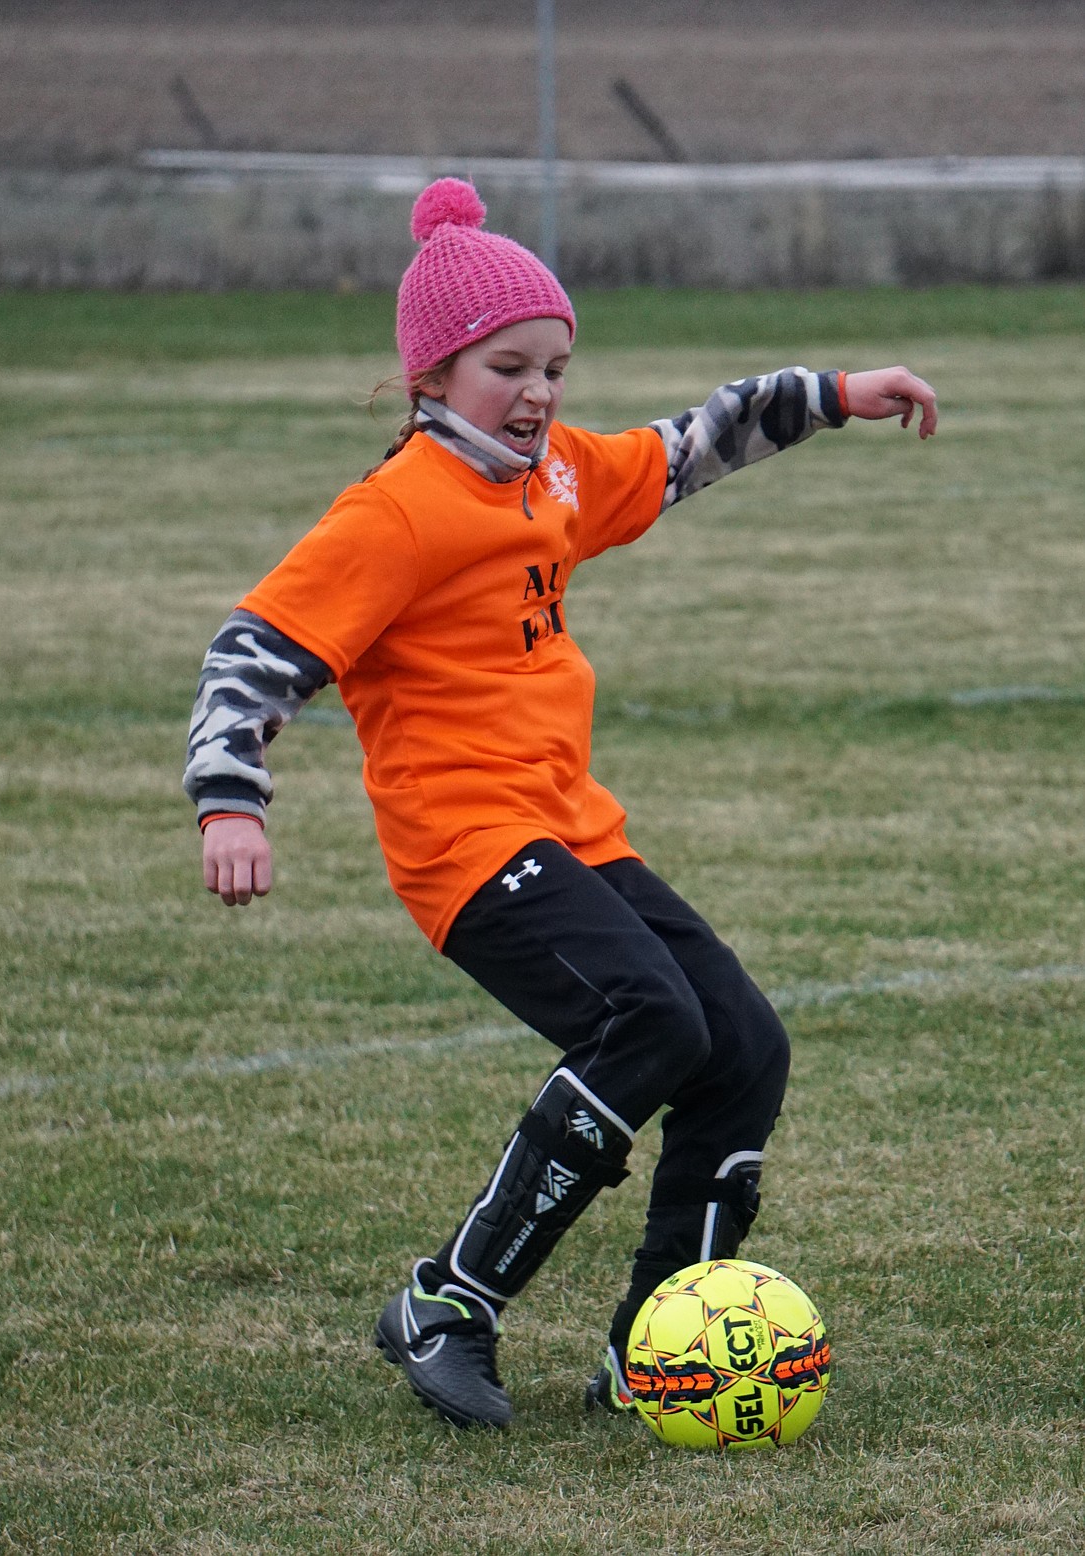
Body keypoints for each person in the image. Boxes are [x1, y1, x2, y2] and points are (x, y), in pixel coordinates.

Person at [183, 177, 938, 1430]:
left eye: (555, 368)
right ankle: (448, 1299)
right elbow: (250, 652)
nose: (537, 394)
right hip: (465, 848)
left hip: (570, 830)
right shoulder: (399, 512)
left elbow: (687, 444)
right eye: (507, 368)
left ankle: (659, 1349)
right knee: (649, 1017)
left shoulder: (558, 478)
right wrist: (230, 800)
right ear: (432, 376)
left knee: (741, 1043)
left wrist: (839, 393)